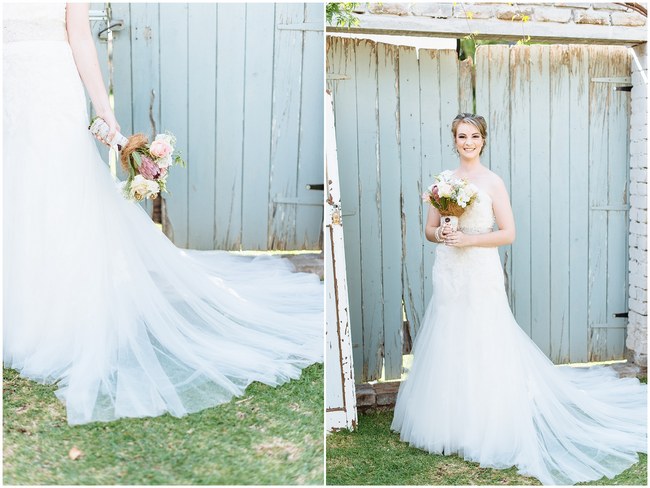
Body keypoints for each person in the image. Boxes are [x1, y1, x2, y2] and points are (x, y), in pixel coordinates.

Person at [3, 3, 323, 425]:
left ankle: (57, 317)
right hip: (8, 87)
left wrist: (104, 108)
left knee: (57, 192)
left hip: (51, 88)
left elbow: (79, 36)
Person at [391, 113, 647, 485]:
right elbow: (427, 229)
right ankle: (450, 422)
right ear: (454, 140)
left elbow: (508, 233)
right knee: (450, 337)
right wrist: (443, 233)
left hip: (479, 268)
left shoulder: (492, 182)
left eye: (474, 136)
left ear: (483, 140)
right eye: (461, 136)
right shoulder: (443, 182)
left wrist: (469, 240)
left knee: (484, 337)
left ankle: (487, 423)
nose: (468, 142)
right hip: (449, 270)